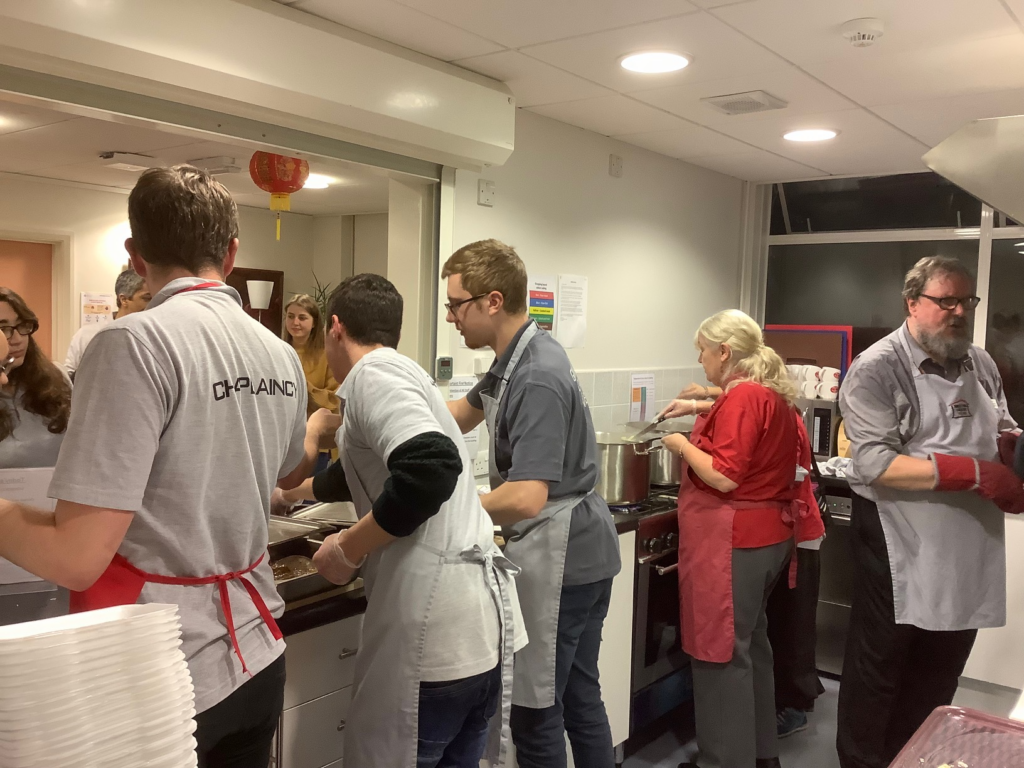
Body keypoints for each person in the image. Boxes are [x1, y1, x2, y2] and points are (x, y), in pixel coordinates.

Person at [0, 165, 328, 768]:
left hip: (165, 665)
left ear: (135, 254)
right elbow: (289, 471)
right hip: (256, 649)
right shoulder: (278, 352)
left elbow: (76, 556)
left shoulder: (132, 344)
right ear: (231, 254)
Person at [299, 273, 524, 768]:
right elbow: (366, 470)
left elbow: (428, 469)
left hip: (433, 643)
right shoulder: (405, 372)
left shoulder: (372, 376)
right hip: (477, 637)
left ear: (335, 327)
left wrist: (347, 548)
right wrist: (290, 493)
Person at [836, 256, 1024, 768]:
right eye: (946, 301)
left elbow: (1000, 424)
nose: (959, 312)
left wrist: (1013, 451)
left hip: (968, 542)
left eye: (967, 301)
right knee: (881, 669)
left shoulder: (980, 363)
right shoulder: (877, 369)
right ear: (912, 303)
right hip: (899, 539)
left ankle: (919, 757)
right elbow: (874, 463)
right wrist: (975, 474)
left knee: (941, 670)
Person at [442, 239, 621, 768]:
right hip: (587, 551)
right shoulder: (517, 355)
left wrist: (451, 506)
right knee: (580, 697)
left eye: (456, 304)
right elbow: (460, 413)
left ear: (492, 301)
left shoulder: (537, 373)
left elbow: (525, 496)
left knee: (535, 712)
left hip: (563, 554)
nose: (450, 317)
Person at [658, 309, 824, 768]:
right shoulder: (765, 390)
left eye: (703, 351)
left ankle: (722, 760)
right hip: (767, 538)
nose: (700, 360)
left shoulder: (745, 396)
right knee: (752, 646)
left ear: (725, 351)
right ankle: (760, 753)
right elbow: (739, 422)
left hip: (734, 540)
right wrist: (700, 406)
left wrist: (680, 444)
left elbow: (725, 476)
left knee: (720, 652)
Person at [0, 288, 73, 624]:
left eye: (22, 326)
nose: (15, 338)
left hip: (49, 533)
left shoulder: (56, 379)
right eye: (2, 328)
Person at [64, 267, 151, 380]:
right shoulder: (88, 335)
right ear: (124, 300)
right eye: (147, 298)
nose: (153, 304)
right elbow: (68, 376)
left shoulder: (153, 335)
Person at [283, 294, 339, 417]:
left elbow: (335, 399)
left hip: (315, 421)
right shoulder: (278, 351)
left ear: (314, 323)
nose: (295, 322)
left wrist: (306, 388)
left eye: (302, 318)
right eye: (290, 316)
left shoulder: (327, 355)